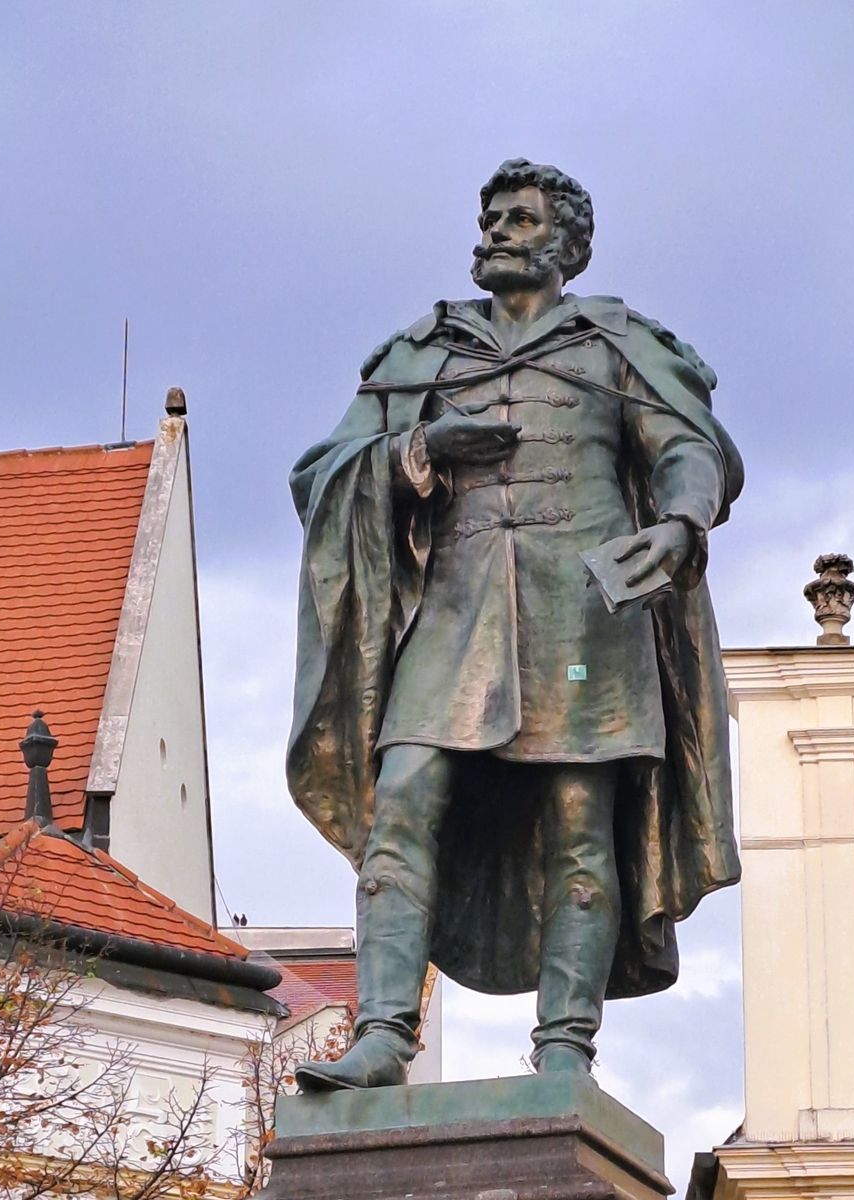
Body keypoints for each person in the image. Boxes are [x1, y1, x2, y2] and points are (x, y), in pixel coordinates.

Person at [287, 159, 742, 1087]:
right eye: (491, 217)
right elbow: (321, 475)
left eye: (521, 220)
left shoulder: (615, 344)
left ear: (567, 245)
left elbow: (691, 449)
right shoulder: (424, 352)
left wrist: (679, 523)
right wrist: (422, 445)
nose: (496, 231)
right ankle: (383, 1034)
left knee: (579, 823)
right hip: (453, 620)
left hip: (587, 618)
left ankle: (564, 1046)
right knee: (403, 795)